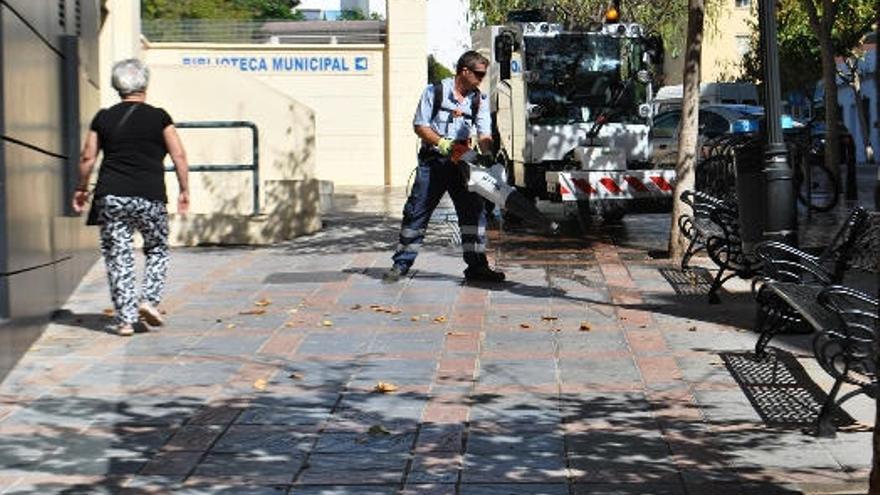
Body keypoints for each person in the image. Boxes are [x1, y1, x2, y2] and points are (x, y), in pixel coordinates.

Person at [72, 58, 190, 336]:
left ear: (117, 86)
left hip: (112, 196)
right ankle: (148, 300)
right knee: (157, 248)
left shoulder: (103, 117)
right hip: (150, 195)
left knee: (118, 255)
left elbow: (88, 157)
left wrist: (81, 188)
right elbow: (179, 155)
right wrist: (184, 189)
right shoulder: (160, 116)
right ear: (145, 83)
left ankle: (125, 320)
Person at [383, 50, 505, 283]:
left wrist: (488, 154)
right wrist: (441, 142)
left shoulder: (479, 99)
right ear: (464, 71)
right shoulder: (435, 91)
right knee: (417, 212)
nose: (481, 78)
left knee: (474, 215)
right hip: (434, 163)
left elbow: (484, 133)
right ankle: (401, 264)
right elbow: (420, 125)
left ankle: (477, 267)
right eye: (478, 74)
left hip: (464, 165)